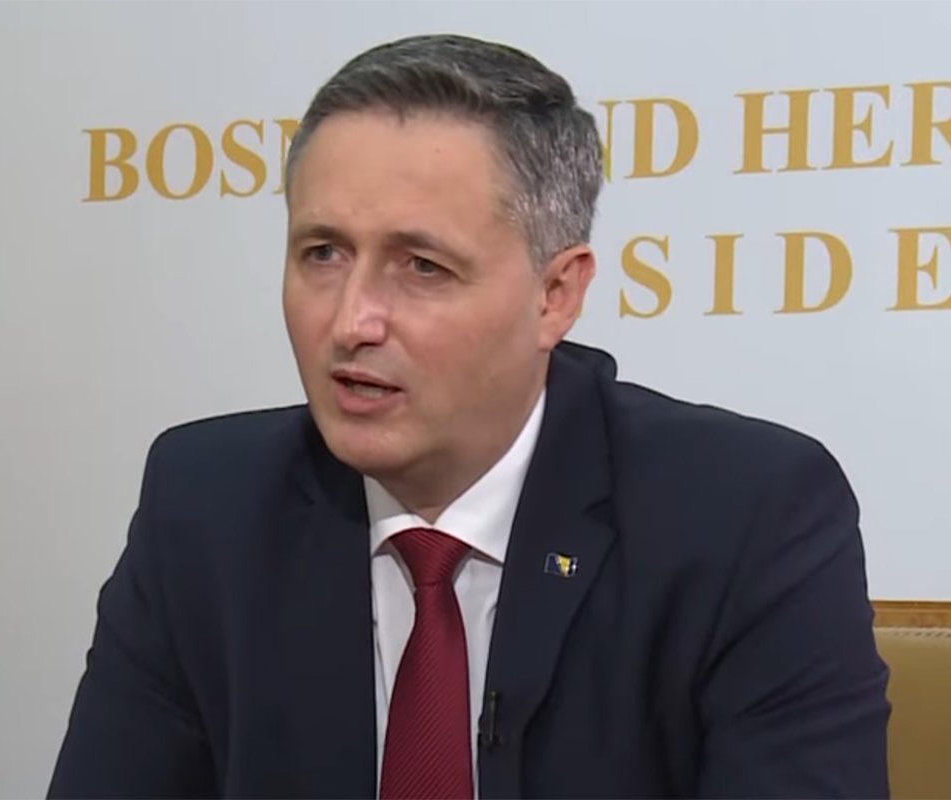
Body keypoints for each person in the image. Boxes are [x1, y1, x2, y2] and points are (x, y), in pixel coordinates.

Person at [47, 33, 890, 800]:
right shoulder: (206, 508)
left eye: (422, 266)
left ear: (556, 295)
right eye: (323, 253)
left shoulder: (747, 519)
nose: (350, 321)